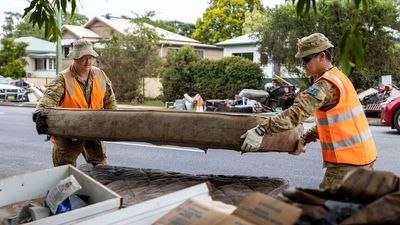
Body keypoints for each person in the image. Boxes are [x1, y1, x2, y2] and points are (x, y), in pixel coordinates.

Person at [240, 33, 377, 189]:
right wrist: (305, 138)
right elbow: (334, 123)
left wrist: (261, 129)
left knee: (326, 208)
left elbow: (295, 114)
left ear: (321, 56)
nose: (302, 64)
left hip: (347, 163)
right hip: (365, 157)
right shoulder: (340, 78)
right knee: (351, 208)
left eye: (306, 59)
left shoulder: (325, 85)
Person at [33, 39, 118, 167]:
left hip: (94, 131)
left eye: (90, 57)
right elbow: (46, 101)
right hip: (69, 132)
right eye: (84, 57)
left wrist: (115, 122)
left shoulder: (100, 74)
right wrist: (39, 115)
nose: (88, 61)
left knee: (101, 169)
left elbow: (110, 101)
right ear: (75, 58)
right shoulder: (63, 78)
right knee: (64, 172)